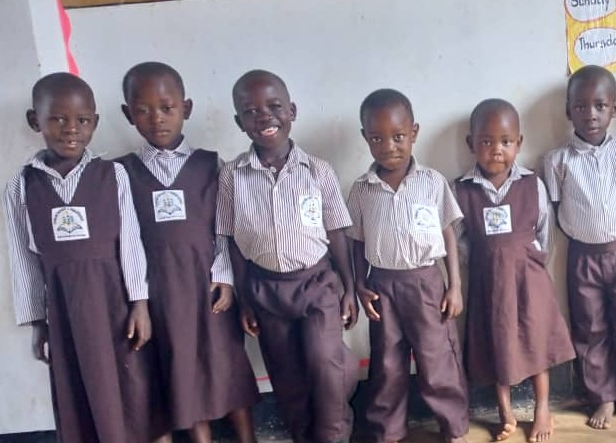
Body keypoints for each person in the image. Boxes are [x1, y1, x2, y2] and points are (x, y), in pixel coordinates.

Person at [4, 72, 164, 443]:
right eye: (57, 118)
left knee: (130, 387)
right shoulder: (22, 184)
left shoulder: (113, 174)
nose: (70, 129)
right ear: (35, 120)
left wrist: (140, 304)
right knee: (79, 390)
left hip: (115, 304)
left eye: (82, 120)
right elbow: (24, 259)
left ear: (95, 122)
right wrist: (37, 322)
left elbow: (131, 242)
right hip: (64, 309)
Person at [117, 61, 260, 443]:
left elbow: (226, 228)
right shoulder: (122, 173)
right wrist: (140, 299)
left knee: (226, 363)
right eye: (143, 110)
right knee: (183, 367)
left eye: (166, 108)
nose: (156, 119)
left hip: (209, 285)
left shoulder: (212, 164)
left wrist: (225, 277)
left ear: (187, 109)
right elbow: (126, 241)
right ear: (128, 115)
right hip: (162, 291)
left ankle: (247, 437)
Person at [216, 70, 359, 443]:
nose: (264, 116)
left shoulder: (318, 171)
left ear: (292, 111)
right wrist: (245, 297)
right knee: (287, 376)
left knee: (326, 367)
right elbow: (231, 241)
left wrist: (349, 288)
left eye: (274, 106)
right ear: (239, 122)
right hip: (265, 288)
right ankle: (303, 436)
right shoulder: (232, 176)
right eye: (251, 111)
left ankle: (334, 436)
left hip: (317, 283)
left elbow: (337, 232)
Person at [348, 88, 470, 443]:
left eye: (399, 137)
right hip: (382, 286)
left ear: (414, 133)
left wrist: (455, 285)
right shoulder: (361, 190)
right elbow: (356, 241)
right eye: (377, 138)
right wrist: (359, 285)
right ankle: (388, 431)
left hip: (427, 283)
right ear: (365, 138)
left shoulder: (432, 183)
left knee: (438, 360)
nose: (389, 146)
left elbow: (448, 236)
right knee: (387, 365)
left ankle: (454, 428)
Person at [543, 65, 616, 431]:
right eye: (580, 106)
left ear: (614, 109)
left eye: (600, 105)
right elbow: (558, 211)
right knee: (590, 329)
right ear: (568, 111)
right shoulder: (557, 160)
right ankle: (603, 396)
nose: (590, 114)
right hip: (583, 257)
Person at [454, 98, 574, 442]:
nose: (496, 151)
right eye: (486, 142)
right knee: (497, 343)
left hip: (529, 280)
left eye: (505, 142)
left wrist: (527, 261)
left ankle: (541, 409)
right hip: (488, 281)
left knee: (537, 342)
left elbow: (544, 233)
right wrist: (486, 262)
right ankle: (505, 410)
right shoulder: (461, 190)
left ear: (518, 143)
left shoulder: (531, 184)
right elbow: (458, 242)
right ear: (471, 144)